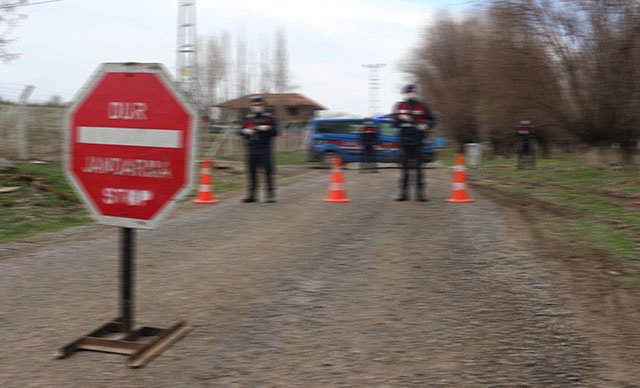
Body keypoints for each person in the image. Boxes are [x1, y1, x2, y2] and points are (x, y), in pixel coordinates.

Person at [391, 83, 437, 202]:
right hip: (404, 141)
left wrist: (426, 126)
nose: (411, 93)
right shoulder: (399, 106)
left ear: (416, 93)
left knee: (419, 169)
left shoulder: (422, 106)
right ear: (405, 93)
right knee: (404, 169)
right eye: (409, 92)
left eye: (413, 91)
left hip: (418, 140)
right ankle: (403, 194)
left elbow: (434, 119)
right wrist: (399, 119)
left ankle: (421, 194)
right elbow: (393, 123)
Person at [237, 95, 279, 203]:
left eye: (259, 105)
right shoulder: (248, 118)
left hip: (265, 148)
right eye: (254, 105)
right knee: (251, 172)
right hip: (252, 148)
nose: (257, 106)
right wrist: (245, 131)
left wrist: (267, 128)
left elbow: (276, 131)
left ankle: (270, 195)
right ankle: (251, 195)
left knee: (267, 172)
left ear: (263, 105)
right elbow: (239, 130)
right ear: (251, 106)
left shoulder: (269, 118)